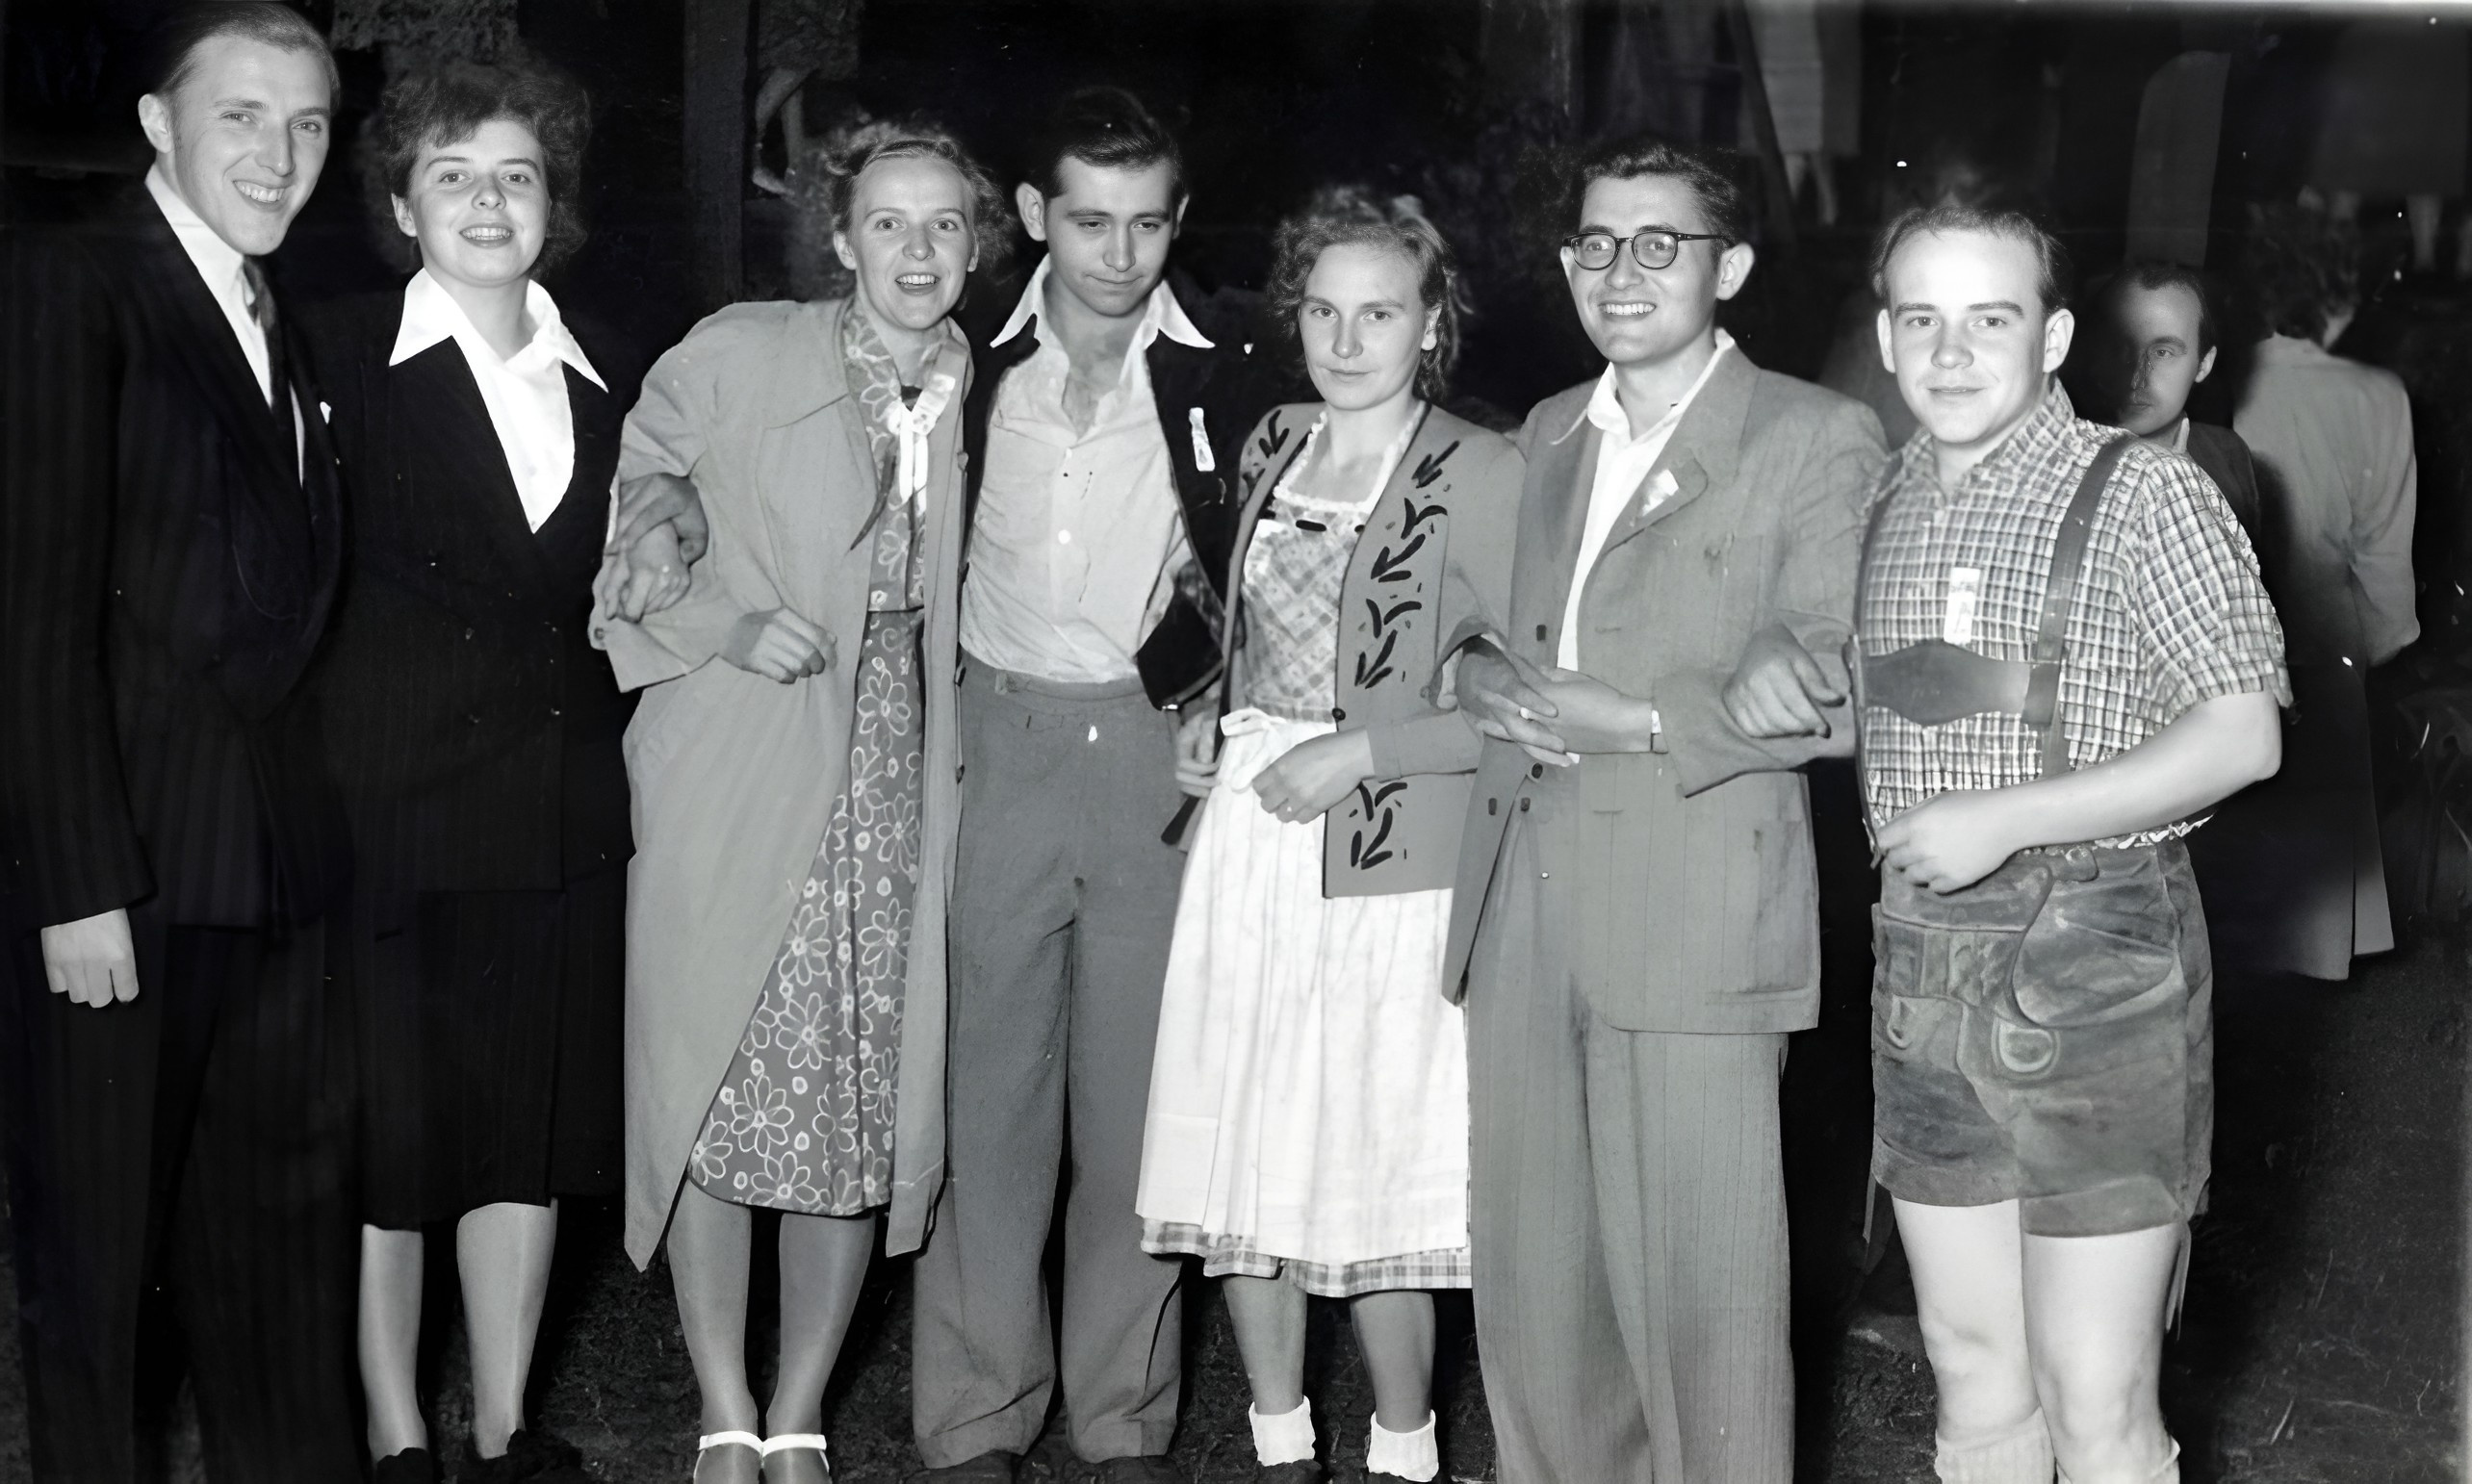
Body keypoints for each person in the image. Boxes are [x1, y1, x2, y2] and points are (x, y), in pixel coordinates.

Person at [1441, 136, 1887, 1483]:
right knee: (1540, 1294)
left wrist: (1637, 719)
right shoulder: (1551, 429)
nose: (1619, 273)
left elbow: (1835, 690)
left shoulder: (1814, 437)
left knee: (1708, 1318)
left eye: (1659, 245)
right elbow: (1483, 622)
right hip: (1528, 898)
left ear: (1730, 266)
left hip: (1696, 904)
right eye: (1594, 243)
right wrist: (1477, 670)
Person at [1836, 203, 2285, 1483]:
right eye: (1922, 318)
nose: (1954, 350)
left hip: (2101, 962)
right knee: (1969, 1360)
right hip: (1922, 967)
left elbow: (2244, 736)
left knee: (2097, 1393)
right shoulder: (1883, 495)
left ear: (2056, 335)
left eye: (1994, 318)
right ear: (1885, 334)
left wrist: (2007, 817)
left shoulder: (2145, 488)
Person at [592, 120, 1000, 1484]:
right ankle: (721, 1406)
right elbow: (639, 511)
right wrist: (723, 617)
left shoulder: (976, 385)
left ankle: (803, 1406)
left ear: (977, 242)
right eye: (888, 223)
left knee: (856, 1085)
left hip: (892, 755)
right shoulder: (739, 349)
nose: (918, 251)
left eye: (945, 225)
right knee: (718, 1066)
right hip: (753, 733)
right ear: (838, 237)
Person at [0, 7, 361, 1477]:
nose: (278, 157)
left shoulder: (282, 310)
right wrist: (76, 881)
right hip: (125, 883)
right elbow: (30, 610)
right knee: (96, 1272)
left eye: (310, 125)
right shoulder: (68, 282)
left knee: (277, 1265)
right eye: (242, 117)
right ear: (159, 123)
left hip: (269, 876)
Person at [910, 87, 1278, 1484]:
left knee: (1135, 1100)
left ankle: (1120, 1415)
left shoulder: (1235, 365)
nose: (1117, 254)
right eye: (1086, 221)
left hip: (1152, 752)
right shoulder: (961, 362)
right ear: (1031, 217)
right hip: (997, 739)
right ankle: (975, 1412)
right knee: (987, 1094)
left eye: (1144, 223)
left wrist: (1220, 680)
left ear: (1177, 221)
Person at [1132, 191, 1520, 1484]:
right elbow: (1211, 604)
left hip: (1390, 846)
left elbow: (1521, 698)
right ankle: (1279, 1441)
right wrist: (1205, 707)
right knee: (1250, 1131)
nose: (1347, 339)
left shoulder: (1483, 469)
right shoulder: (1271, 442)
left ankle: (1403, 1445)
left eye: (1380, 313)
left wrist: (1365, 749)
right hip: (1253, 824)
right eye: (1322, 309)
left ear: (1430, 325)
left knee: (1371, 1144)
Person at [304, 58, 643, 1484]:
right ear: (401, 204)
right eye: (452, 174)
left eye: (515, 173)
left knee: (523, 1125)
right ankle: (394, 1430)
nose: (488, 200)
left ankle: (508, 1426)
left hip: (557, 816)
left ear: (552, 200)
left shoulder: (618, 377)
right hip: (385, 812)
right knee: (393, 1134)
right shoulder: (331, 360)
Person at [2232, 206, 2417, 980]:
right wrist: (2386, 639)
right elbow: (2382, 547)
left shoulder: (2220, 377)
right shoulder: (2374, 394)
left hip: (2233, 624)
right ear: (2341, 292)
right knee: (2320, 808)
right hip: (2326, 626)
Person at [2075, 261, 2260, 537]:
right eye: (2120, 347)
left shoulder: (2228, 455)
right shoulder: (2062, 464)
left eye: (2163, 352)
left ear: (2203, 365)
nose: (2136, 378)